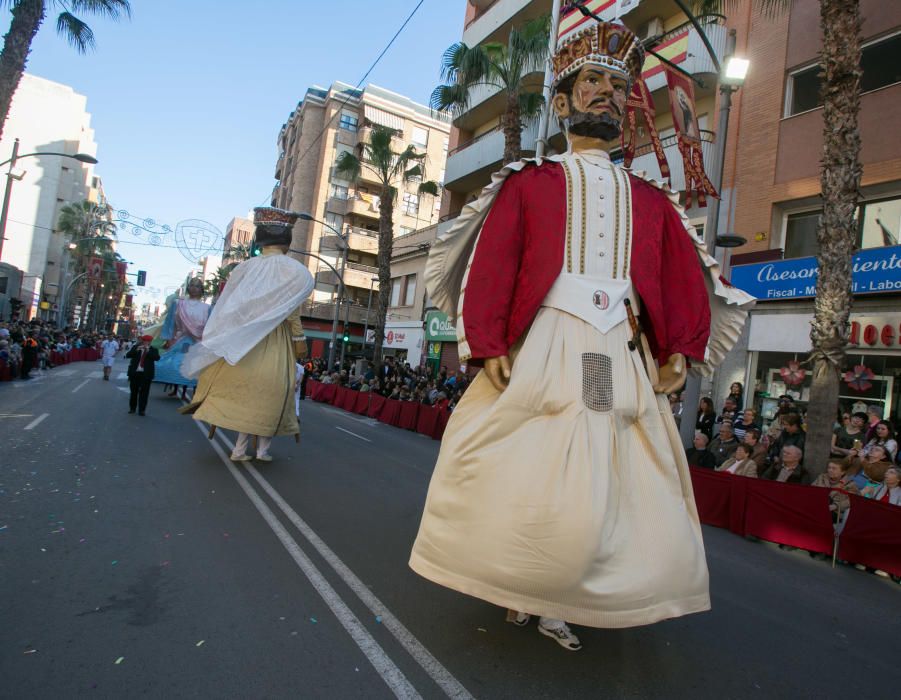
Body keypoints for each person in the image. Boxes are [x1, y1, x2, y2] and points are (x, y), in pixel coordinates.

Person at [409, 17, 753, 652]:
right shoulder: (527, 183)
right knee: (528, 467)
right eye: (592, 81)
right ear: (562, 101)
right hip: (545, 343)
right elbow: (494, 265)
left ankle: (561, 595)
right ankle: (521, 582)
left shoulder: (651, 200)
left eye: (618, 86)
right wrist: (486, 343)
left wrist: (678, 346)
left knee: (605, 472)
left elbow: (680, 273)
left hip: (615, 350)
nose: (607, 94)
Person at [180, 207, 314, 462]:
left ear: (260, 238)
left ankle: (239, 449)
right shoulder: (295, 271)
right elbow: (292, 313)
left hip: (241, 342)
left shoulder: (243, 269)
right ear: (287, 241)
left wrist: (225, 336)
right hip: (276, 342)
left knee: (245, 400)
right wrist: (300, 344)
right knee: (269, 400)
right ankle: (262, 451)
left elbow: (229, 306)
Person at [154, 277, 211, 400]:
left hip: (198, 342)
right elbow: (170, 323)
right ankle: (175, 389)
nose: (194, 288)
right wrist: (168, 339)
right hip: (180, 339)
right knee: (176, 364)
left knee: (195, 367)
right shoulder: (178, 304)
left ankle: (196, 393)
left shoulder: (207, 308)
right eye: (192, 285)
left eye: (197, 286)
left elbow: (209, 327)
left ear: (201, 290)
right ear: (188, 288)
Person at [125, 335, 160, 416]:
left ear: (150, 342)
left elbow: (157, 358)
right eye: (144, 341)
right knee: (134, 392)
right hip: (135, 373)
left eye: (148, 341)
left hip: (146, 374)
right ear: (142, 341)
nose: (146, 343)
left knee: (144, 393)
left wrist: (148, 351)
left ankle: (142, 410)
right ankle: (132, 408)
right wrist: (136, 350)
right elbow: (128, 355)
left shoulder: (153, 349)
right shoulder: (136, 347)